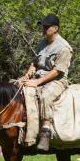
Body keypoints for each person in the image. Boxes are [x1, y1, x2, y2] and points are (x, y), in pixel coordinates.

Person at [19, 14, 72, 152]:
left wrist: (37, 82)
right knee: (15, 86)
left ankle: (46, 131)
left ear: (55, 28)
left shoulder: (64, 47)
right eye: (43, 26)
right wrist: (28, 74)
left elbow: (57, 71)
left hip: (57, 80)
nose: (43, 29)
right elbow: (35, 62)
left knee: (45, 96)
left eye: (46, 27)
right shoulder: (42, 43)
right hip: (38, 77)